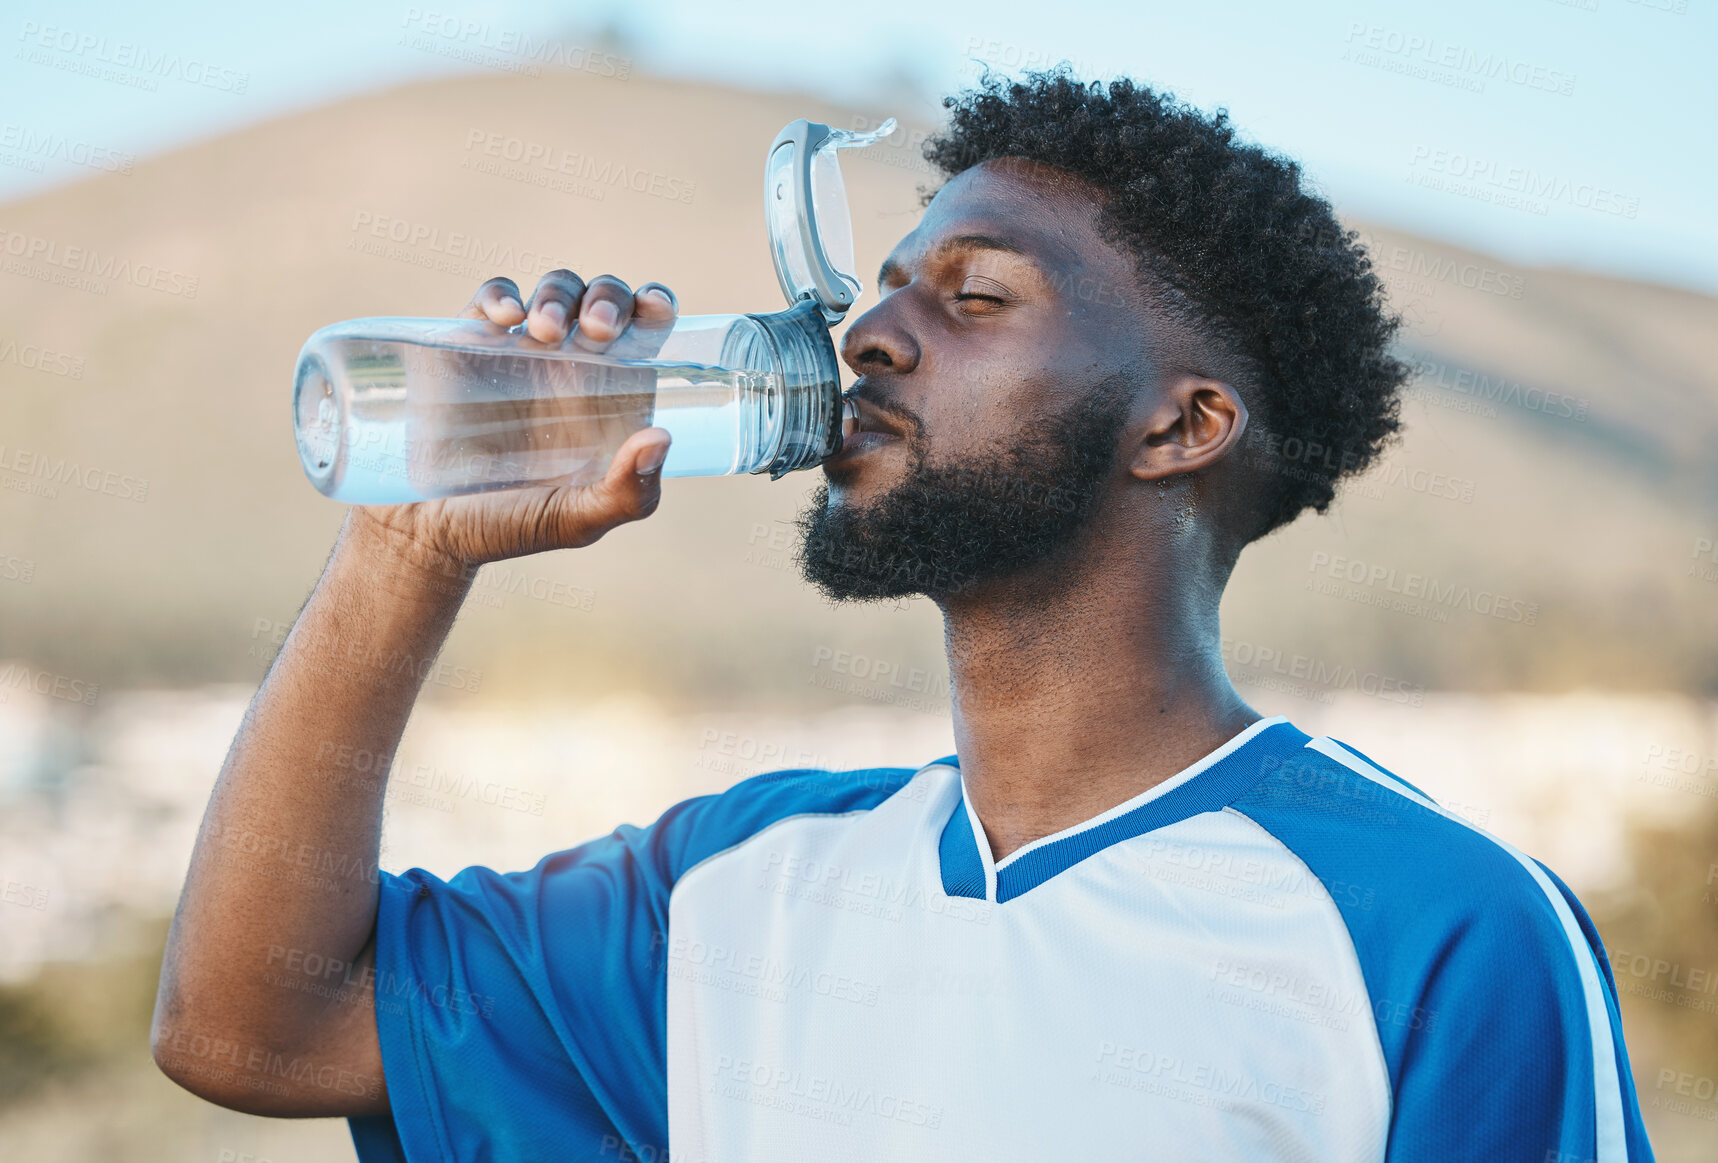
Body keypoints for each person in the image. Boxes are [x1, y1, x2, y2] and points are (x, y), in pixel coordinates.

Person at [152, 70, 1655, 1162]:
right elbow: (249, 1031)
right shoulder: (732, 883)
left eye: (973, 297)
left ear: (1179, 426)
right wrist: (408, 552)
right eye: (879, 289)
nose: (867, 333)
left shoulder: (1434, 932)